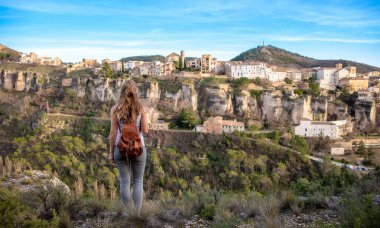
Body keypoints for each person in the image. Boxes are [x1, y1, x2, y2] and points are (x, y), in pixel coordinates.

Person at [108, 80, 149, 215]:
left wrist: (111, 153)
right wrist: (144, 117)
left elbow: (113, 133)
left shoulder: (115, 109)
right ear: (135, 92)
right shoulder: (141, 108)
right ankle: (136, 215)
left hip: (120, 148)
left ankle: (128, 212)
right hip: (138, 148)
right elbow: (145, 130)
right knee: (138, 181)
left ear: (122, 92)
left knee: (124, 182)